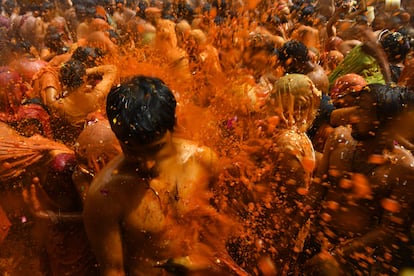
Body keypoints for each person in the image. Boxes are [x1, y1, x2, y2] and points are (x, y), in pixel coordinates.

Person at [83, 75, 245, 275]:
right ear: (117, 136)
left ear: (174, 125)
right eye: (132, 151)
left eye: (156, 149)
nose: (146, 162)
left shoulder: (203, 161)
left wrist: (203, 261)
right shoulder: (105, 195)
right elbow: (113, 271)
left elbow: (223, 226)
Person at [299, 83, 414, 275]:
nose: (353, 116)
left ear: (385, 122)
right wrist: (293, 226)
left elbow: (389, 230)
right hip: (315, 240)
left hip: (352, 260)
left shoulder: (403, 169)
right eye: (357, 108)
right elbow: (318, 190)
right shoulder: (339, 139)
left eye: (364, 111)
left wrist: (336, 255)